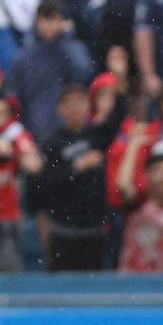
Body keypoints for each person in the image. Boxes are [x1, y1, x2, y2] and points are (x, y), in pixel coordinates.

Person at [34, 82, 126, 270]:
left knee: (95, 285)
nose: (74, 107)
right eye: (69, 102)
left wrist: (120, 81)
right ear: (59, 109)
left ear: (88, 105)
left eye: (79, 101)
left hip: (95, 231)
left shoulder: (96, 136)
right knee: (62, 285)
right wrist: (77, 167)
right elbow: (46, 184)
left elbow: (118, 117)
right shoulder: (53, 142)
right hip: (63, 231)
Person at [8, 0, 93, 142]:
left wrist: (65, 38)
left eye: (54, 19)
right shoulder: (25, 56)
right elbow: (15, 94)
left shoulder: (72, 48)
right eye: (44, 19)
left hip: (68, 131)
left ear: (62, 21)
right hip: (34, 129)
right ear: (37, 22)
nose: (48, 25)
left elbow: (84, 74)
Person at [115, 123, 163, 273]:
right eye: (158, 171)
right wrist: (133, 146)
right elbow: (123, 184)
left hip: (161, 275)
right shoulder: (139, 200)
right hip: (132, 275)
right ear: (148, 174)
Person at [0, 94, 42, 271]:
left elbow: (34, 165)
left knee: (9, 273)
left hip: (7, 214)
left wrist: (16, 154)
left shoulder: (14, 133)